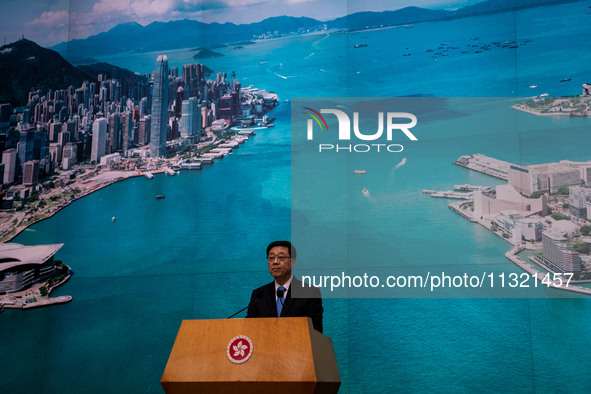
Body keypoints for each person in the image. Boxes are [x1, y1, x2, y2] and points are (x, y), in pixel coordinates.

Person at [246, 241, 323, 333]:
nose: (275, 262)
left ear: (293, 263)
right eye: (271, 258)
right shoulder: (259, 294)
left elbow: (315, 331)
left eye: (281, 257)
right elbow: (249, 329)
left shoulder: (309, 293)